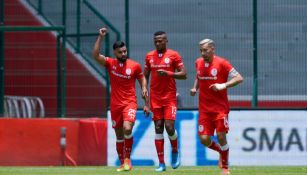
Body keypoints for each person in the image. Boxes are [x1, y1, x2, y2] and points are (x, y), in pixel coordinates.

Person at [93, 27, 149, 172]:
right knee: (119, 134)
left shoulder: (134, 66)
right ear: (115, 53)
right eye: (121, 52)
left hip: (129, 103)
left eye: (125, 51)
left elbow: (142, 78)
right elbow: (95, 55)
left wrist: (143, 87)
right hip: (115, 105)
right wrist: (100, 37)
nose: (124, 53)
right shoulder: (110, 63)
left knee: (127, 128)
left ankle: (128, 159)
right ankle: (122, 162)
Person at [190, 39, 243, 175]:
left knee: (221, 136)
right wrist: (195, 88)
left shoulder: (222, 63)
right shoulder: (198, 62)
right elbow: (198, 76)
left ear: (213, 49)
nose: (203, 53)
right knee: (204, 139)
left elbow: (239, 78)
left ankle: (225, 167)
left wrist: (223, 85)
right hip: (204, 110)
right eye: (201, 50)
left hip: (220, 108)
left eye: (205, 50)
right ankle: (221, 150)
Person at [144, 31, 187, 171]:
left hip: (169, 97)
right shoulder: (149, 56)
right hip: (155, 98)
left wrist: (169, 73)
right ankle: (161, 163)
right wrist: (144, 92)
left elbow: (184, 74)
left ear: (166, 41)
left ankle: (175, 151)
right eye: (156, 41)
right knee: (158, 127)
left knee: (169, 127)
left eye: (160, 41)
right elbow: (145, 76)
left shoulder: (174, 55)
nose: (158, 43)